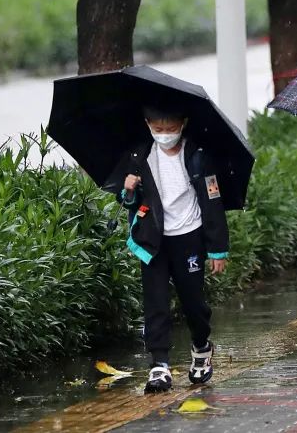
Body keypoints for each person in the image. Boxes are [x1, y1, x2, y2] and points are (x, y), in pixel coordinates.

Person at [103, 104, 229, 393]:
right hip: (153, 239)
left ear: (183, 123)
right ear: (147, 124)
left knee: (193, 302)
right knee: (155, 302)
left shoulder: (198, 156)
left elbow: (212, 201)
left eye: (170, 129)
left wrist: (217, 248)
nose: (164, 135)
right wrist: (129, 189)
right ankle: (159, 364)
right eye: (158, 129)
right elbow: (129, 202)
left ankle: (201, 347)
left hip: (189, 237)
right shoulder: (139, 156)